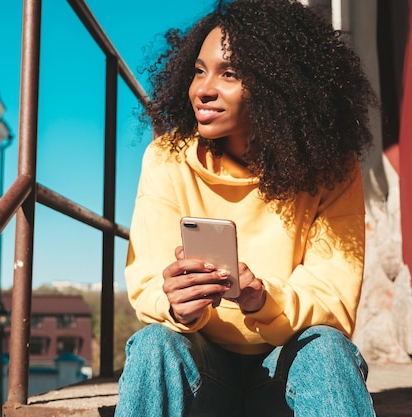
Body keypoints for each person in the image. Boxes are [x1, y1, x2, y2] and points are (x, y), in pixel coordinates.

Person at [115, 0, 378, 416]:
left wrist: (262, 299)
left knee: (327, 350)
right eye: (199, 70)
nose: (203, 89)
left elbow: (334, 299)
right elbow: (148, 279)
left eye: (229, 73)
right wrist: (176, 304)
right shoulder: (166, 158)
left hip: (289, 369)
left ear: (280, 85)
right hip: (204, 369)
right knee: (152, 344)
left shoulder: (332, 169)